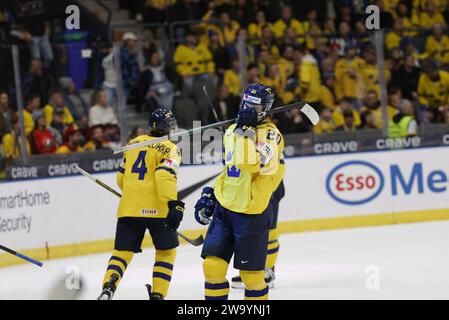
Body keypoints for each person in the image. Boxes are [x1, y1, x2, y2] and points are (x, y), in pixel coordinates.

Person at [194, 84, 281, 300]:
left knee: (251, 277)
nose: (247, 108)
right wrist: (211, 194)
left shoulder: (271, 135)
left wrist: (245, 131)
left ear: (265, 109)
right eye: (245, 103)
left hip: (251, 213)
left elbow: (248, 164)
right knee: (212, 268)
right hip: (225, 210)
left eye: (254, 105)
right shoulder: (233, 130)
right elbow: (230, 169)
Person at [98, 108, 184, 300]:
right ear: (169, 127)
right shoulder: (170, 147)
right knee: (166, 252)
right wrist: (173, 203)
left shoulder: (132, 144)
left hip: (129, 208)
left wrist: (134, 193)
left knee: (122, 253)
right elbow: (164, 175)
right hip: (159, 211)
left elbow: (120, 179)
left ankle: (108, 287)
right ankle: (158, 295)